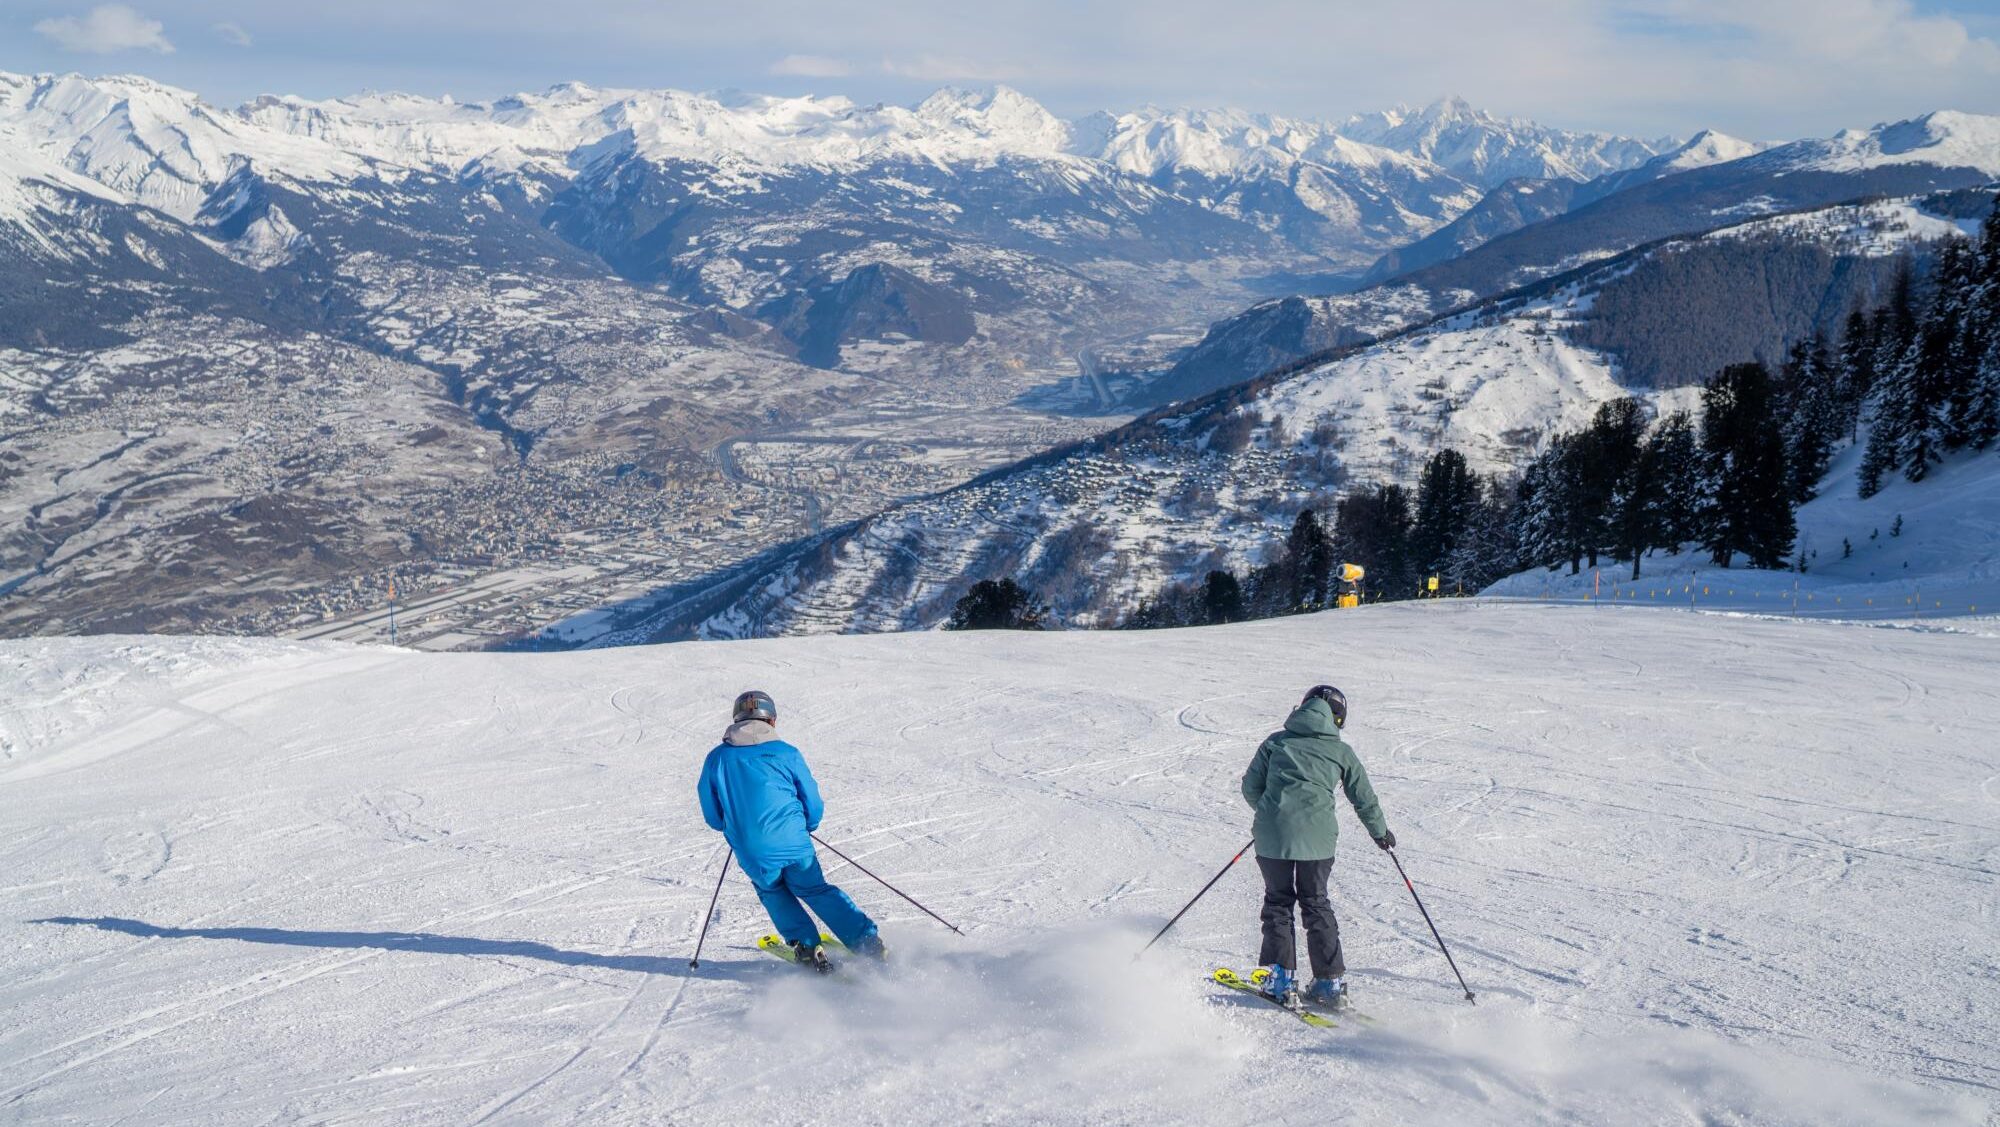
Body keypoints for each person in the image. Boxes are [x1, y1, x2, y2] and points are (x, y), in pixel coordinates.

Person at [698, 690, 885, 970]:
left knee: (772, 890)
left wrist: (727, 825)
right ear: (771, 720)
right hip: (794, 841)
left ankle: (807, 948)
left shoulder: (718, 758)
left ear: (737, 719)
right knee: (814, 889)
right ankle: (865, 942)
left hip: (751, 846)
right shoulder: (787, 753)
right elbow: (810, 797)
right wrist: (807, 824)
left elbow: (710, 807)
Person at [1239, 684, 1393, 1011]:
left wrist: (1274, 815)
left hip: (1273, 836)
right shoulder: (1341, 753)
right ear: (1337, 718)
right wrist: (1380, 833)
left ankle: (1281, 980)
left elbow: (1251, 787)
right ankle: (1330, 983)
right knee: (1315, 901)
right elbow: (1363, 797)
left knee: (1279, 902)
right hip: (1319, 840)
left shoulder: (1276, 742)